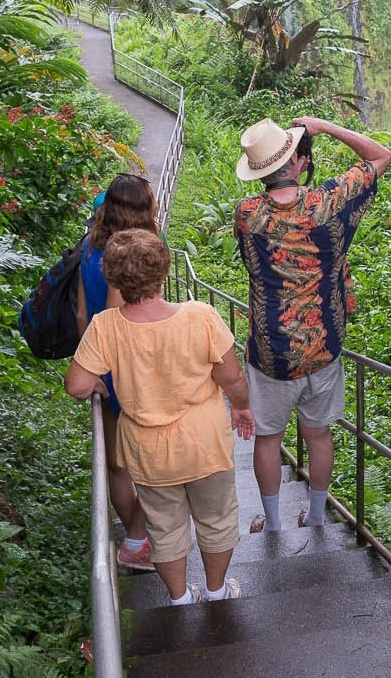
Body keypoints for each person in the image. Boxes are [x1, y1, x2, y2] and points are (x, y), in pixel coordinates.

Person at [64, 229, 256, 604]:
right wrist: (242, 406)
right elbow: (230, 375)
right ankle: (217, 591)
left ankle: (180, 598)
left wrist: (99, 384)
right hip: (204, 444)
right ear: (163, 271)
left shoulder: (106, 326)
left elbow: (76, 384)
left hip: (148, 451)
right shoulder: (200, 316)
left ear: (114, 279)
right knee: (216, 518)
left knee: (164, 527)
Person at [233, 116, 391, 532]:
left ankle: (272, 525)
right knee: (318, 434)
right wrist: (325, 127)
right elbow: (381, 156)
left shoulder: (247, 214)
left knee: (269, 438)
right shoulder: (329, 201)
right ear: (297, 162)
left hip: (271, 351)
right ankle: (316, 516)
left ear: (260, 170)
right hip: (323, 345)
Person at [76, 172, 157, 569]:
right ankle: (141, 538)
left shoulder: (88, 249)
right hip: (133, 370)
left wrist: (94, 368)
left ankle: (136, 540)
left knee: (117, 465)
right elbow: (119, 317)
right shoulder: (135, 254)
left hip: (103, 370)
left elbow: (82, 315)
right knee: (155, 459)